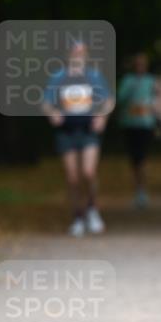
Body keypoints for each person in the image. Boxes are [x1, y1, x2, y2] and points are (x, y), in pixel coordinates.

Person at [43, 41, 113, 236]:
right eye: (74, 52)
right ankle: (77, 217)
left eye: (81, 52)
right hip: (67, 131)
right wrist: (53, 114)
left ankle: (92, 209)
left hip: (88, 130)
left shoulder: (93, 76)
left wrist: (102, 117)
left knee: (89, 172)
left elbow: (108, 100)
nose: (77, 55)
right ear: (68, 55)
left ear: (86, 55)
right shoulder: (59, 77)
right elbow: (47, 102)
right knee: (72, 177)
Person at [117, 52, 161, 208]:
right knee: (134, 159)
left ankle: (142, 190)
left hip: (146, 124)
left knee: (142, 157)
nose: (140, 66)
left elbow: (160, 101)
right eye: (138, 64)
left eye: (143, 64)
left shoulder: (152, 81)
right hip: (130, 124)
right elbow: (120, 98)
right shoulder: (128, 80)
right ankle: (137, 189)